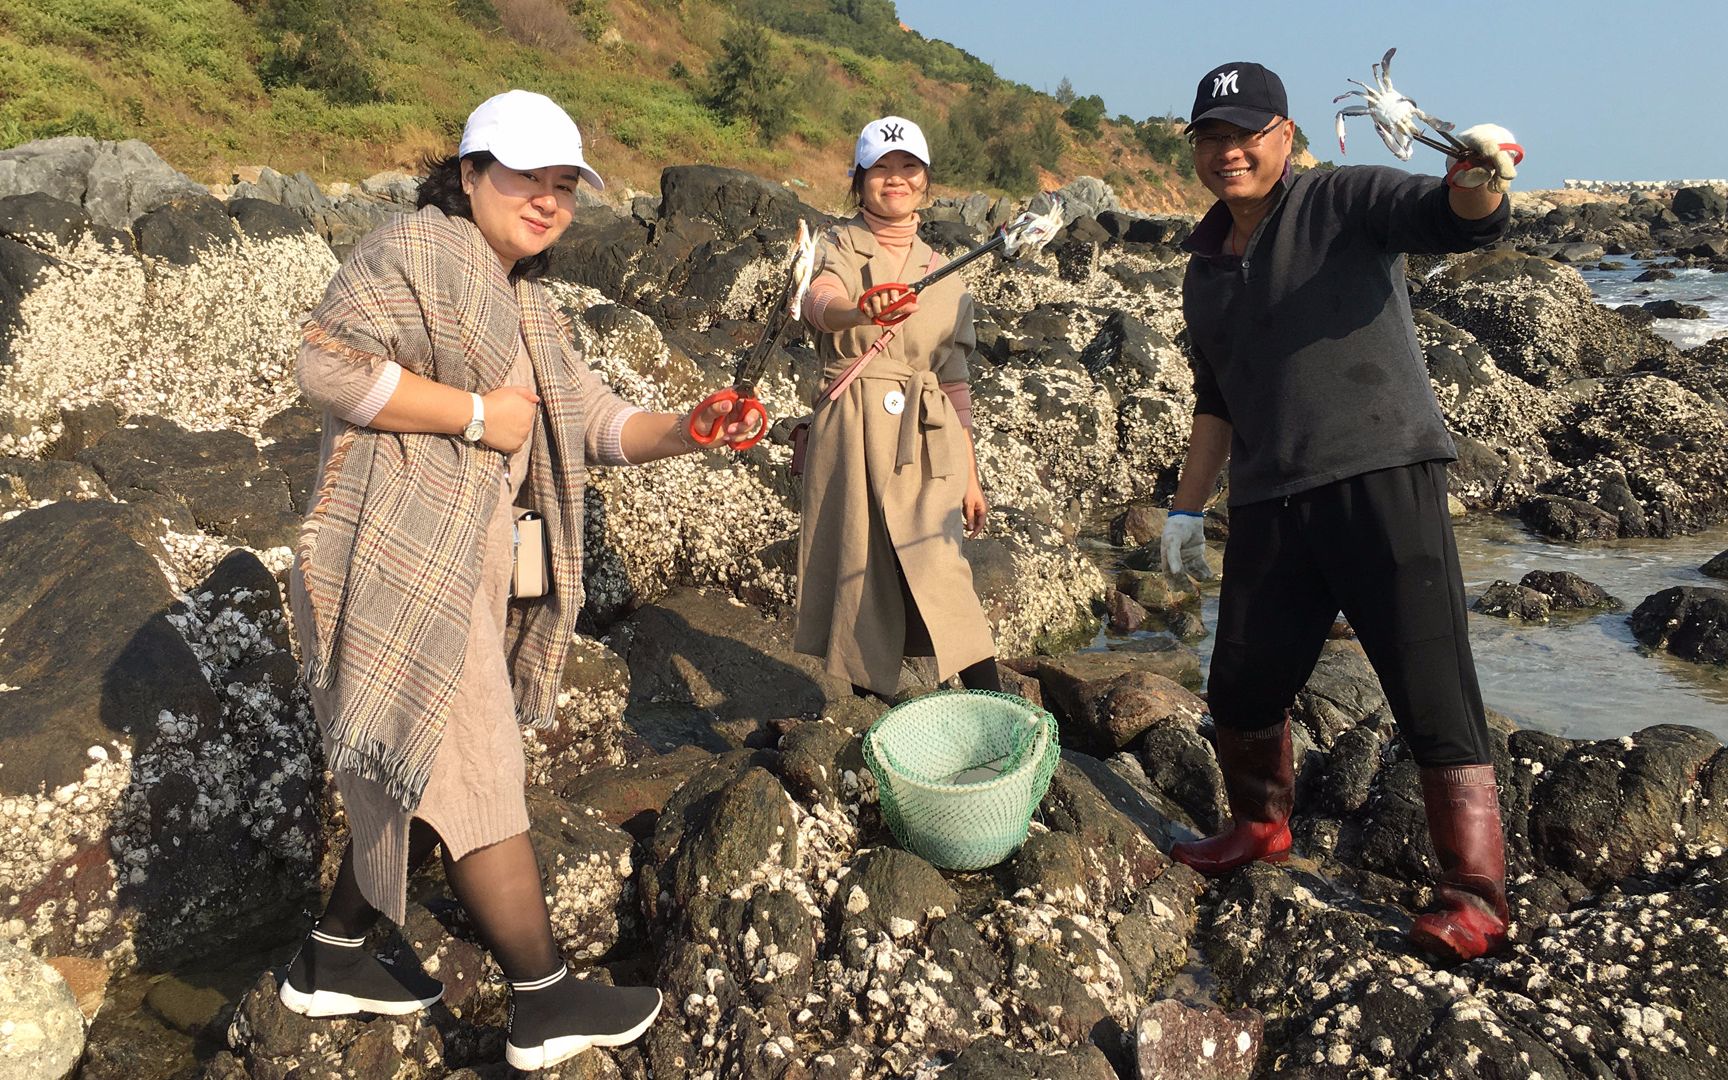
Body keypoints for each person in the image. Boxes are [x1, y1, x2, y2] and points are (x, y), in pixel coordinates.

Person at [279, 89, 756, 1071]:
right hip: (397, 570)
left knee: (421, 773)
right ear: (468, 174)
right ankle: (542, 1000)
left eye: (562, 186)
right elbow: (323, 362)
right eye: (524, 178)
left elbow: (588, 420)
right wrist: (467, 415)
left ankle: (328, 958)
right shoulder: (412, 252)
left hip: (464, 575)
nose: (546, 201)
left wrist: (688, 427)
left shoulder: (530, 305)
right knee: (482, 774)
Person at [1159, 62, 1523, 963]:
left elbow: (1447, 219)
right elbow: (1216, 398)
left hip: (1383, 475)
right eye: (1212, 137)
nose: (1229, 151)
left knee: (1429, 683)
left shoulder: (1343, 199)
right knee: (1242, 682)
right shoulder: (1203, 268)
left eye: (1248, 133)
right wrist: (1184, 511)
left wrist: (1476, 181)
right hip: (1272, 498)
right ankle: (1259, 826)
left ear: (1286, 138)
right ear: (1196, 151)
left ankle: (1475, 896)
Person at [794, 116, 1002, 699]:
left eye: (907, 167)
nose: (895, 178)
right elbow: (819, 302)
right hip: (852, 426)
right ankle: (879, 715)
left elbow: (954, 381)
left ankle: (998, 707)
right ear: (858, 180)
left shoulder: (946, 274)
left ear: (926, 181)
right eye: (880, 168)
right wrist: (860, 311)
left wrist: (972, 476)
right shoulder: (834, 245)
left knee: (942, 568)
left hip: (927, 432)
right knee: (862, 571)